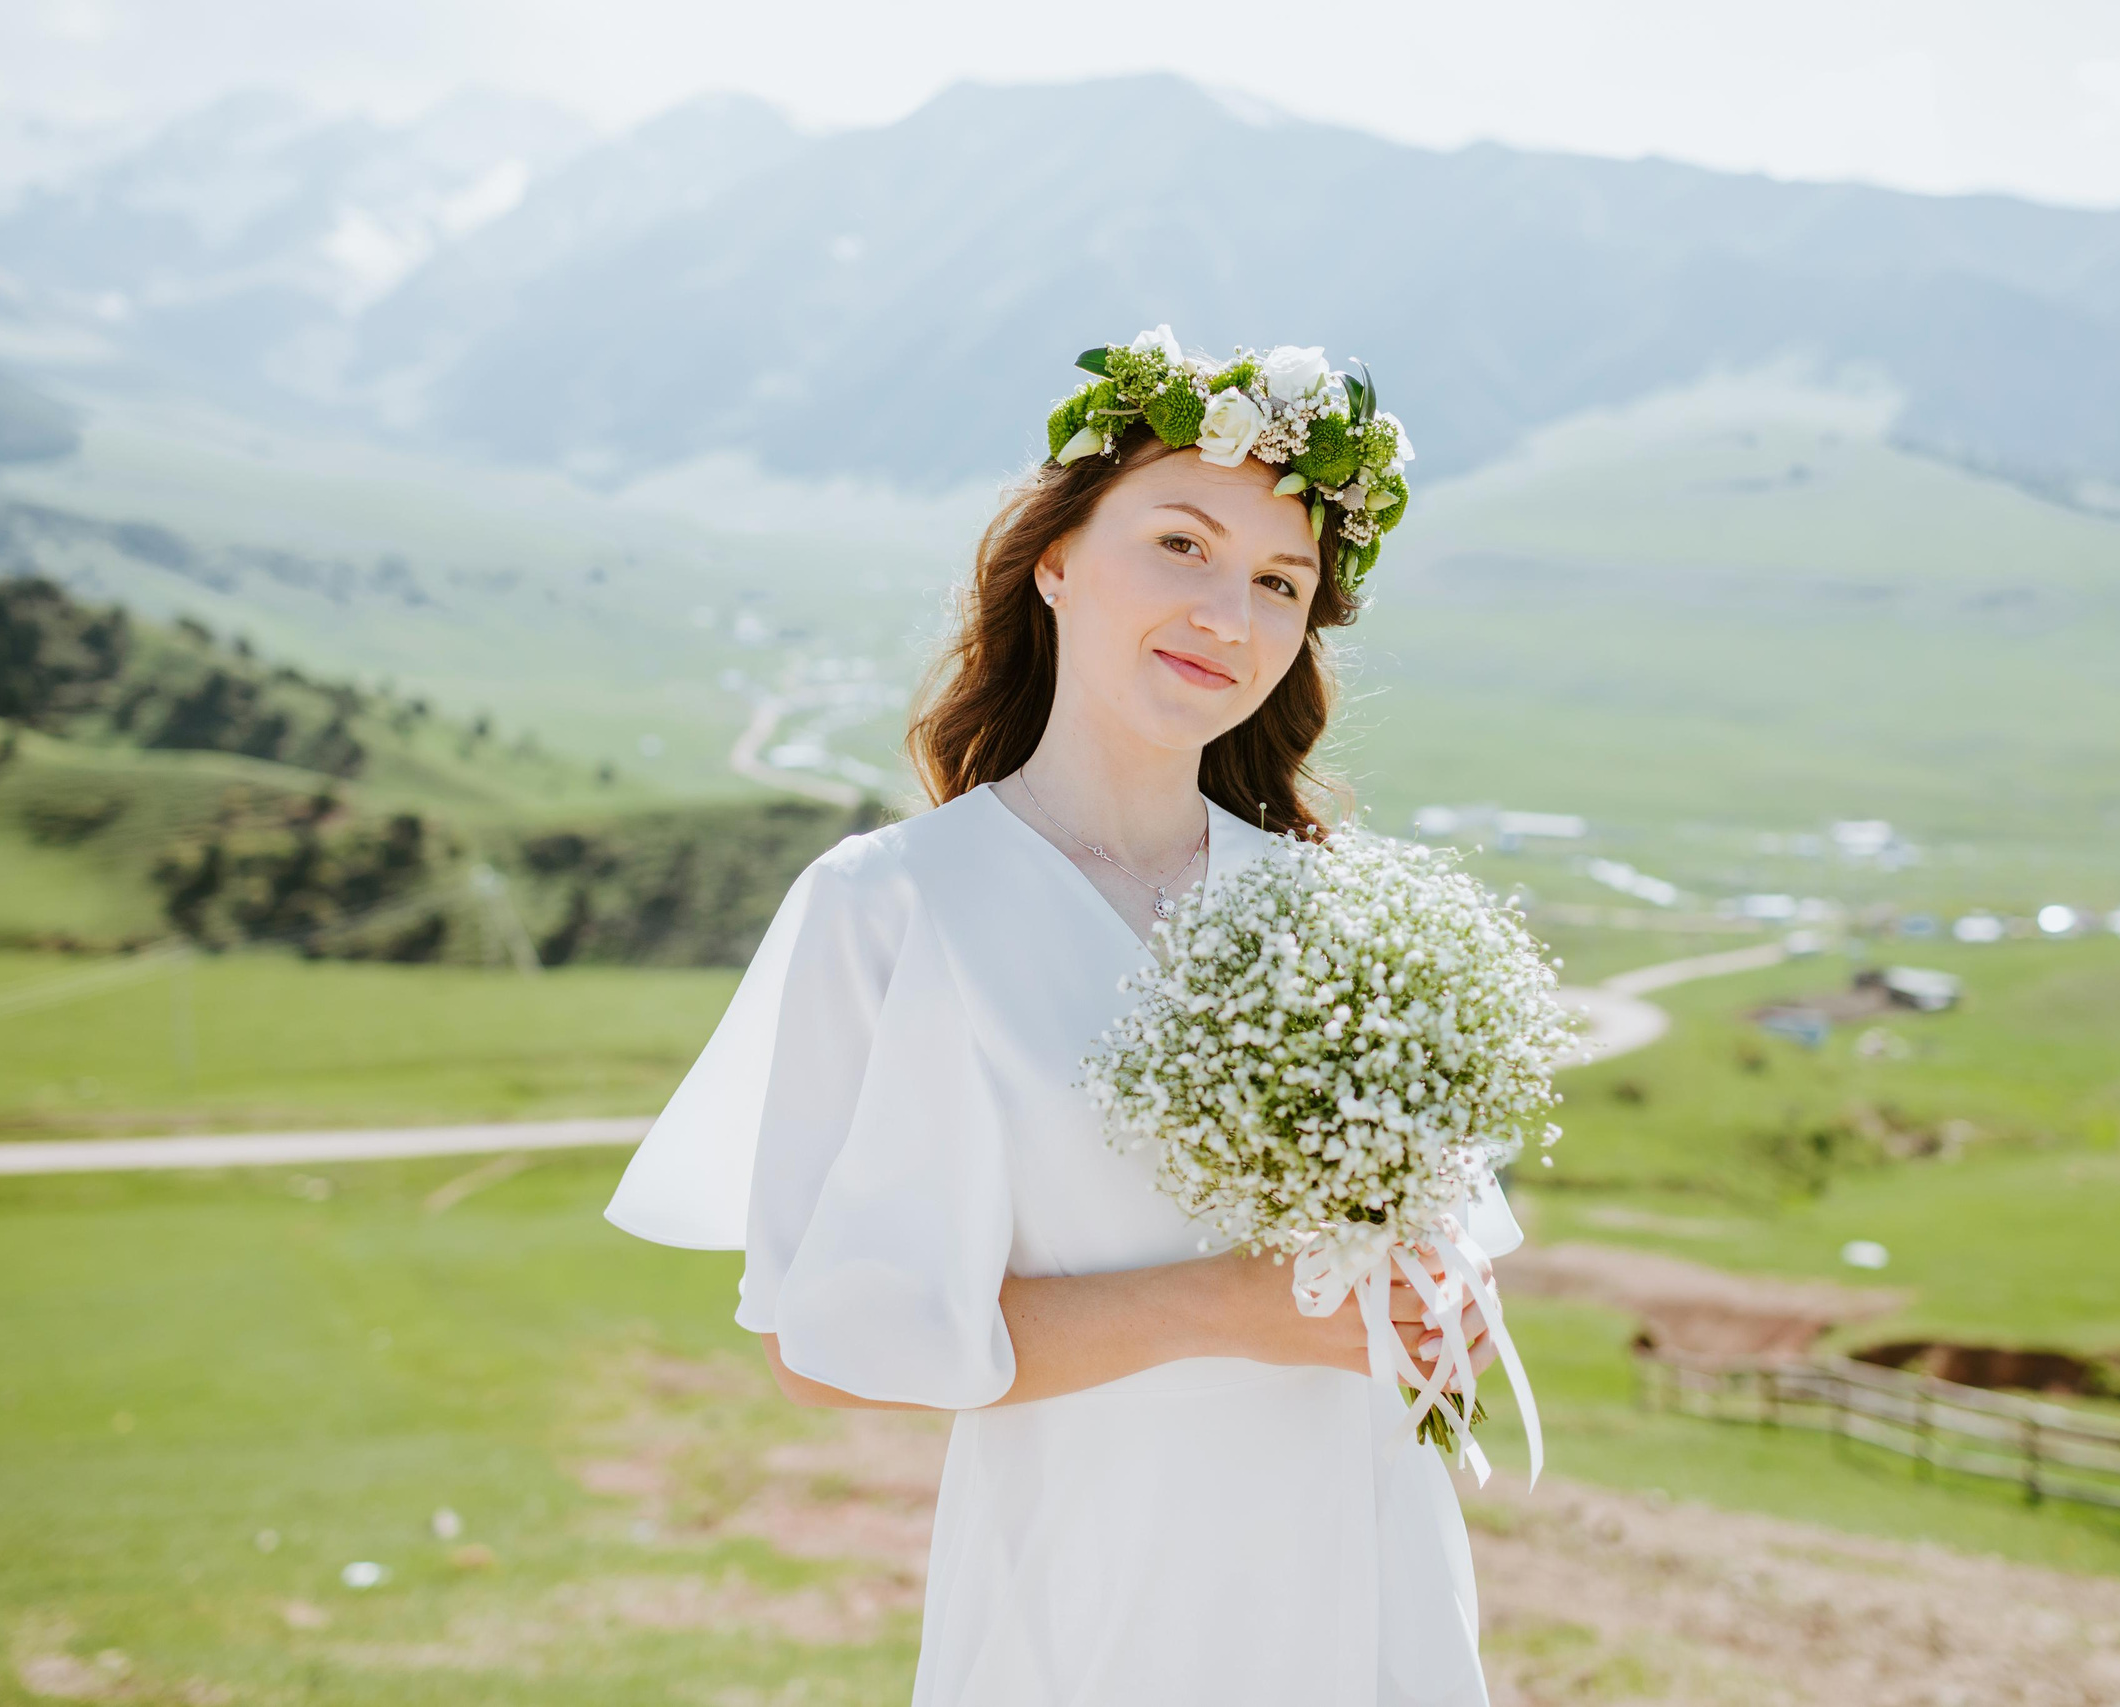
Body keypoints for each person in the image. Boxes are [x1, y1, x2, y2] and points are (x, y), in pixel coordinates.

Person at [606, 330, 1517, 1706]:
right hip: (1091, 1603)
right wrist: (1226, 1307)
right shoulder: (897, 907)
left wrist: (1437, 1305)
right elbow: (828, 1345)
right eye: (1181, 545)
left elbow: (1444, 1249)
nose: (1229, 613)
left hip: (1366, 1582)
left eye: (1280, 582)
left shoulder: (1341, 908)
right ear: (1057, 559)